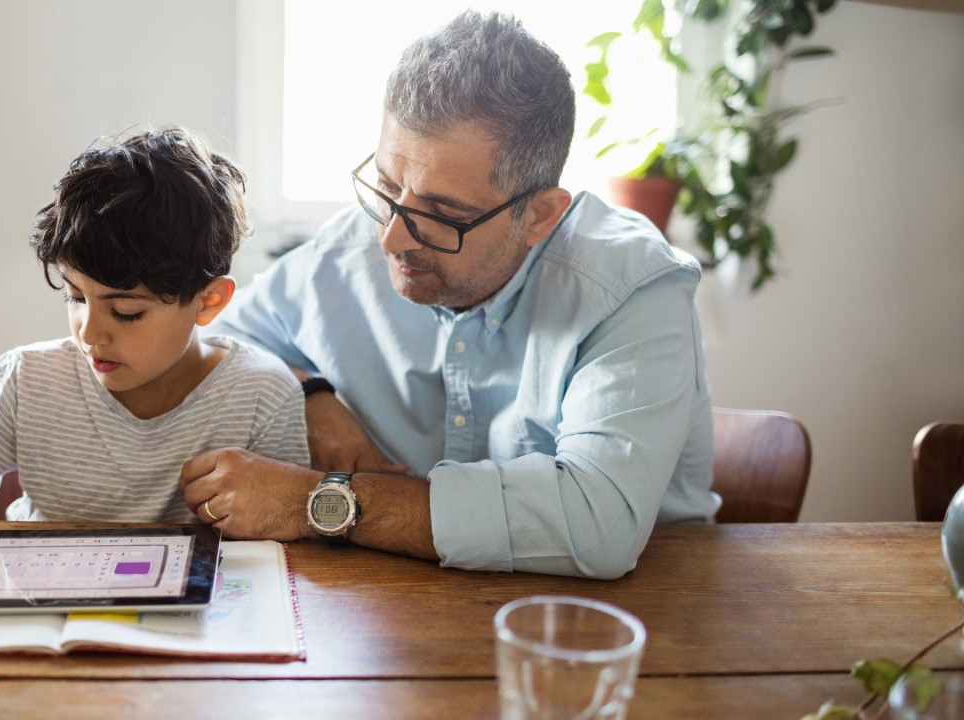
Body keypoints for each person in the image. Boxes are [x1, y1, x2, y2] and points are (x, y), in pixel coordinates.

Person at [180, 10, 717, 579]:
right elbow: (215, 339)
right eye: (387, 187)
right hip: (391, 610)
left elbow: (595, 523)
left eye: (441, 215)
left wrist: (313, 500)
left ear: (539, 215)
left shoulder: (631, 288)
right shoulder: (346, 251)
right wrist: (310, 395)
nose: (391, 237)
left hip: (635, 616)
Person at [0, 127, 309, 547]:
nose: (89, 332)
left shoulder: (261, 396)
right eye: (75, 296)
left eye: (125, 312)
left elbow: (289, 549)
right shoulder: (28, 381)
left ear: (208, 301)